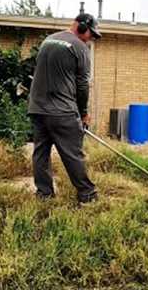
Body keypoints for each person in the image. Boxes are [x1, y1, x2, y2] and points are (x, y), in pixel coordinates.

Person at [28, 13, 101, 204]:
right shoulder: (80, 47)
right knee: (72, 153)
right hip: (62, 111)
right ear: (82, 27)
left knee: (41, 153)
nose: (90, 38)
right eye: (90, 34)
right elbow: (83, 85)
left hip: (37, 109)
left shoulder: (48, 40)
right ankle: (87, 194)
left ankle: (44, 194)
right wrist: (83, 113)